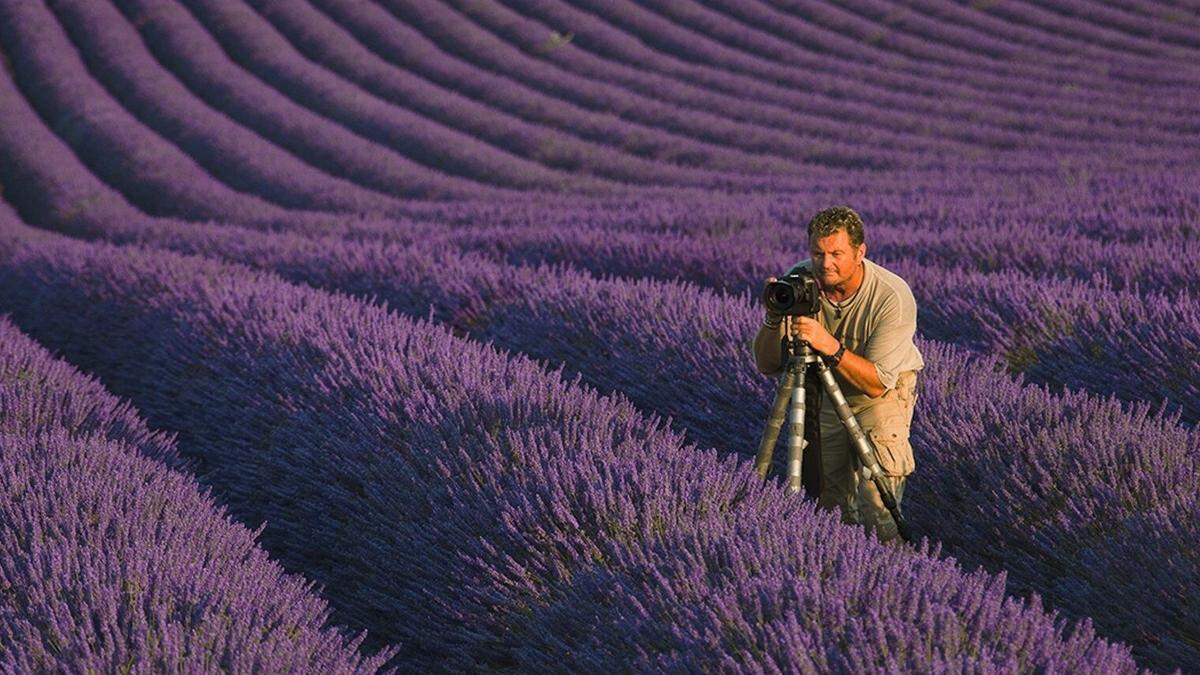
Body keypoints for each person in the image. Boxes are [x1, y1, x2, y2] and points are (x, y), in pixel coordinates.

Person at [751, 206, 924, 544]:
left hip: (883, 394)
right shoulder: (800, 282)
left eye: (836, 254)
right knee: (828, 505)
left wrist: (828, 345)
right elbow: (767, 365)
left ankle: (893, 574)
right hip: (825, 390)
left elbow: (876, 384)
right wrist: (773, 319)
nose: (825, 263)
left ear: (860, 252)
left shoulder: (891, 296)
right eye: (817, 253)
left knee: (878, 505)